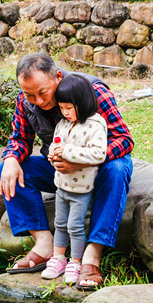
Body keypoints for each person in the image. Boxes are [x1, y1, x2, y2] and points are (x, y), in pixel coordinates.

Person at [0, 53, 133, 288]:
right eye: (30, 95)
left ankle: (92, 256)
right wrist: (11, 157)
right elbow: (20, 138)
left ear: (58, 77)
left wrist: (83, 161)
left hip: (96, 170)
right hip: (59, 172)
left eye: (43, 93)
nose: (38, 101)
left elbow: (124, 139)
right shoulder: (26, 99)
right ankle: (43, 244)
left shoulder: (92, 90)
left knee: (118, 169)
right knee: (7, 168)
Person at [40, 74, 108, 284]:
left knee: (75, 226)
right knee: (60, 223)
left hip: (81, 188)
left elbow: (99, 154)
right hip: (61, 185)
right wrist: (53, 154)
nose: (65, 112)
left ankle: (76, 261)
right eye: (62, 108)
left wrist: (67, 151)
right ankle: (58, 258)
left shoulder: (95, 124)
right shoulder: (63, 123)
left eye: (69, 108)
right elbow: (56, 143)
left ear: (83, 103)